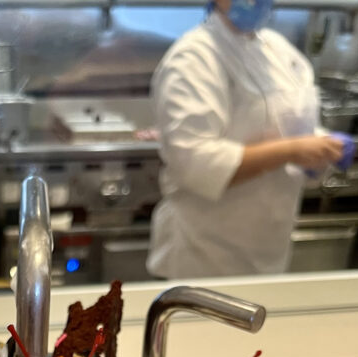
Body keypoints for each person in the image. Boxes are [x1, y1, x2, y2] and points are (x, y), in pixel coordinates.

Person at [147, 0, 345, 279]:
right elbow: (195, 162)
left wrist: (321, 147)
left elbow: (296, 120)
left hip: (268, 245)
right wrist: (290, 150)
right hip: (204, 254)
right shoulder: (193, 58)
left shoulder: (277, 50)